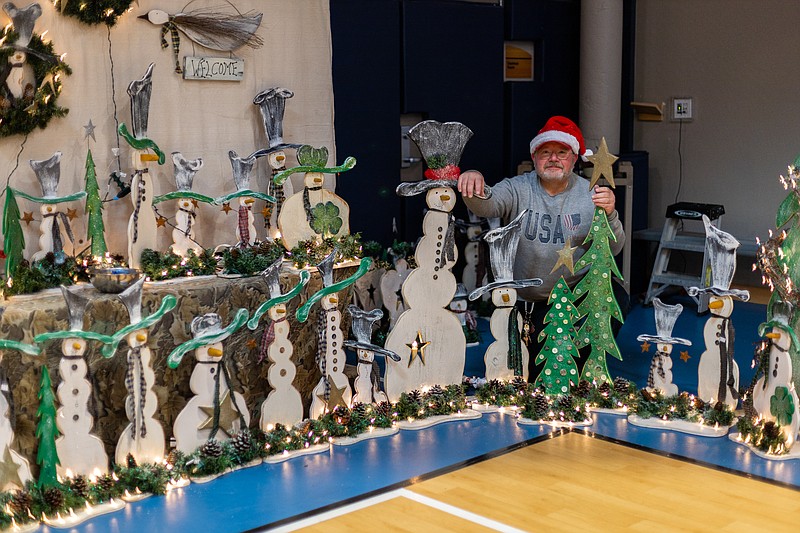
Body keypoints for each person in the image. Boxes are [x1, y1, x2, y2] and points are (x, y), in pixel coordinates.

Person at [457, 115, 627, 381]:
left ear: (574, 158)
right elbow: (487, 204)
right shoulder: (518, 187)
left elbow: (614, 249)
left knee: (614, 293)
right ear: (534, 158)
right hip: (527, 305)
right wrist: (473, 182)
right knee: (534, 377)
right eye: (545, 152)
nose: (553, 159)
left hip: (572, 300)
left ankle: (583, 370)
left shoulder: (591, 193)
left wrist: (612, 214)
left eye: (562, 152)